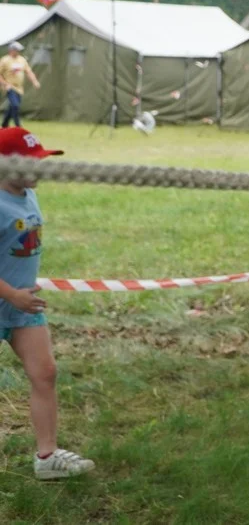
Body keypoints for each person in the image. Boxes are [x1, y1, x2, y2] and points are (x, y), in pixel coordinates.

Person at [0, 127, 95, 480]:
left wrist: (20, 293)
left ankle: (47, 456)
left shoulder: (27, 194)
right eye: (31, 163)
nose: (39, 169)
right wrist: (11, 293)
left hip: (23, 307)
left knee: (45, 373)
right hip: (11, 299)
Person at [0, 42, 42, 129]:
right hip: (9, 87)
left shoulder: (22, 60)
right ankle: (18, 125)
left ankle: (4, 124)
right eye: (16, 50)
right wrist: (5, 83)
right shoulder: (5, 60)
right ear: (11, 50)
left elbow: (28, 72)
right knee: (15, 105)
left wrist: (35, 81)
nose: (18, 51)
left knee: (12, 107)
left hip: (19, 88)